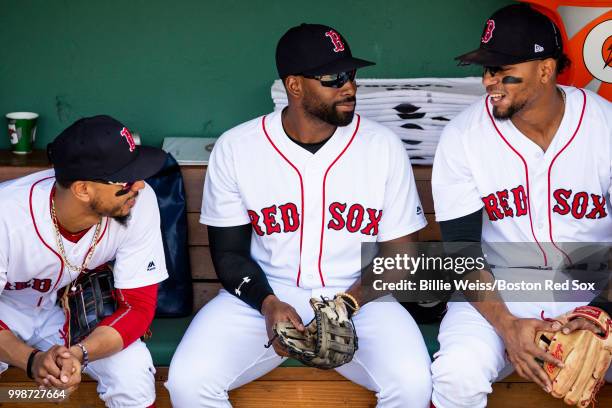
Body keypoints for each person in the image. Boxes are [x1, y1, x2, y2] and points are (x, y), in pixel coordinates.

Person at [166, 23, 432, 407]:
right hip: (264, 293)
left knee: (414, 386)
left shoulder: (382, 147)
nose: (350, 87)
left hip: (362, 297)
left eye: (352, 75)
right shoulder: (237, 147)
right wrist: (267, 304)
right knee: (188, 383)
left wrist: (346, 305)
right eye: (334, 78)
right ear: (294, 85)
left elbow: (401, 256)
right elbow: (229, 253)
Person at [430, 4, 612, 408]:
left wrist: (600, 312)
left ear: (546, 70)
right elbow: (461, 252)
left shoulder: (605, 126)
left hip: (596, 284)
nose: (489, 81)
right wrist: (507, 326)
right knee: (456, 374)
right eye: (486, 70)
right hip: (503, 290)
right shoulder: (463, 136)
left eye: (502, 69)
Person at [0, 115, 169, 407]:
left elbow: (138, 306)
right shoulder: (8, 217)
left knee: (132, 373)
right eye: (126, 179)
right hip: (7, 311)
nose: (139, 185)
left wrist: (80, 354)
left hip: (66, 310)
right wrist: (31, 361)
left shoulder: (138, 203)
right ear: (82, 189)